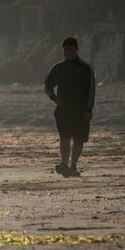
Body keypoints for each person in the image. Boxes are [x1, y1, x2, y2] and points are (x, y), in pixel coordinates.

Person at [44, 37, 96, 177]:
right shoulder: (59, 67)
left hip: (81, 110)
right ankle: (64, 165)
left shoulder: (85, 68)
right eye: (65, 50)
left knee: (79, 139)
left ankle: (73, 167)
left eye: (70, 49)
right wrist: (55, 98)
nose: (67, 52)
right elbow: (47, 85)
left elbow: (91, 90)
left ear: (76, 50)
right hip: (63, 110)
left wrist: (88, 110)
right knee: (65, 138)